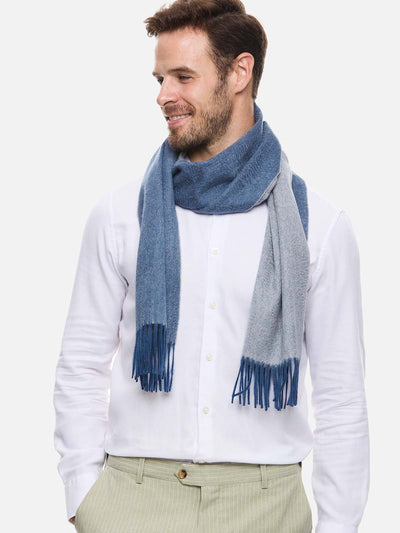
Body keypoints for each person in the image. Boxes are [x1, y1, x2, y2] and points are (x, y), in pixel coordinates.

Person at [53, 1, 370, 532]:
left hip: (266, 506)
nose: (163, 95)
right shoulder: (119, 215)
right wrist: (84, 497)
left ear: (239, 72)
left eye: (183, 77)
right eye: (160, 79)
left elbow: (341, 397)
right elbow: (81, 365)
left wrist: (339, 527)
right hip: (132, 499)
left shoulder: (320, 226)